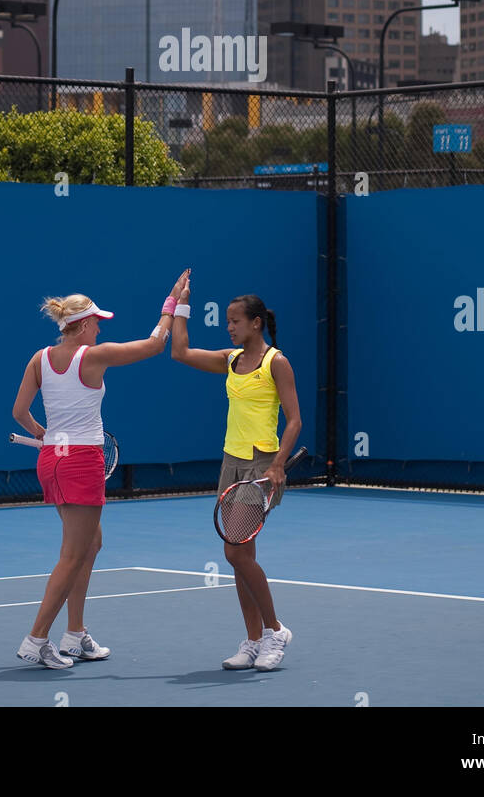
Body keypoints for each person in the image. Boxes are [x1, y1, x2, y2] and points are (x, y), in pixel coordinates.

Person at [12, 276, 182, 670]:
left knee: (89, 545)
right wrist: (171, 302)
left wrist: (46, 436)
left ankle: (74, 634)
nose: (101, 328)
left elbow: (20, 412)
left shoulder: (39, 358)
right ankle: (36, 640)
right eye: (97, 322)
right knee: (73, 555)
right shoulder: (94, 355)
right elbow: (157, 344)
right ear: (84, 324)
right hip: (80, 460)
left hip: (51, 460)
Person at [171, 277, 302, 672]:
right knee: (241, 557)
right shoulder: (230, 360)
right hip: (231, 464)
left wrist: (278, 464)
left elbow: (294, 420)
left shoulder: (275, 362)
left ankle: (275, 630)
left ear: (256, 323)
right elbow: (179, 352)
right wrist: (180, 304)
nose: (229, 327)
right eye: (227, 321)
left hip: (261, 466)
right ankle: (253, 640)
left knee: (234, 551)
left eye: (235, 321)